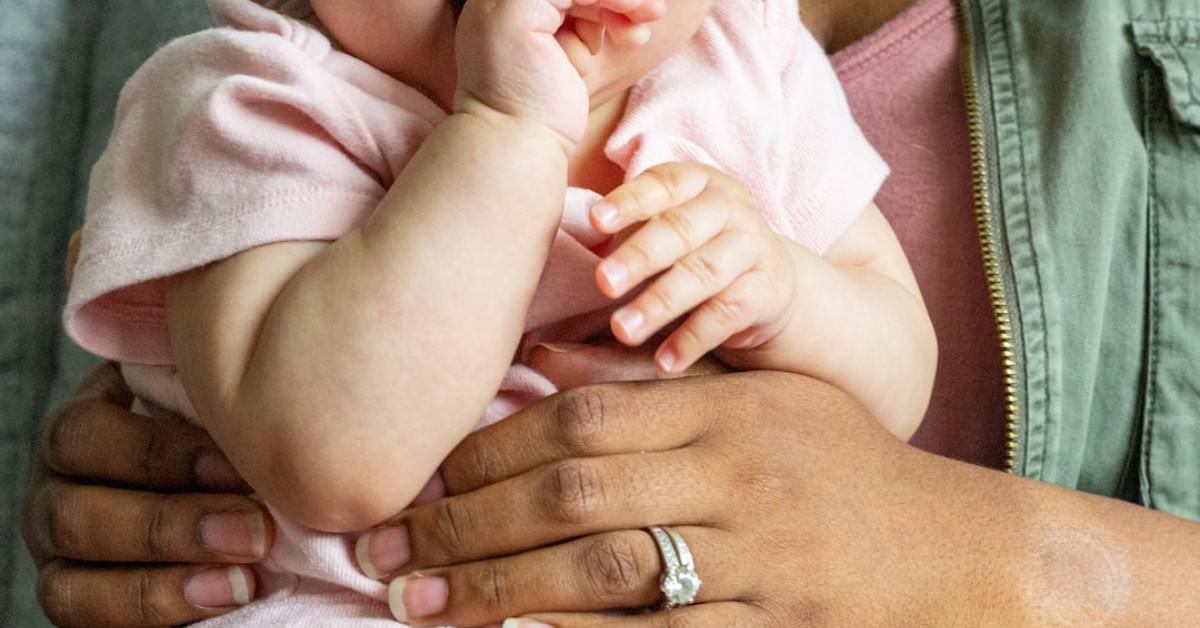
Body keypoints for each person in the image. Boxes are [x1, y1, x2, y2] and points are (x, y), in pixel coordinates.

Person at [21, 0, 1200, 626]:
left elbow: (895, 382)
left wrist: (792, 295)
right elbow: (337, 462)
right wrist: (508, 134)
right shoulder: (257, 98)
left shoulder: (748, 61)